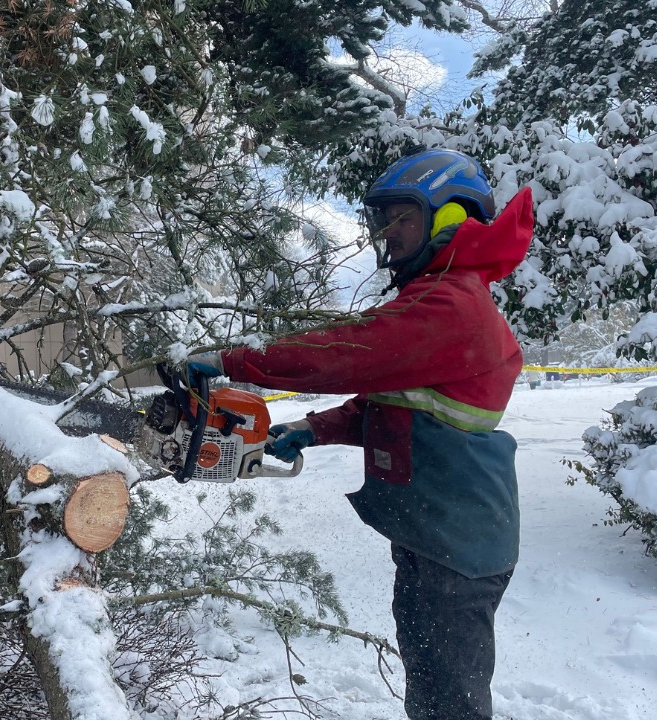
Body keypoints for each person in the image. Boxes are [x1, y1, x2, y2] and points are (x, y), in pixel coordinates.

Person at [188, 147, 534, 720]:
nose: (389, 233)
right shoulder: (438, 299)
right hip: (438, 536)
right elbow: (394, 404)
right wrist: (311, 429)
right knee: (430, 682)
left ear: (451, 217)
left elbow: (347, 352)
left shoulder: (452, 304)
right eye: (384, 220)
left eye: (404, 217)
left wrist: (235, 358)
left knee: (449, 701)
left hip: (458, 549)